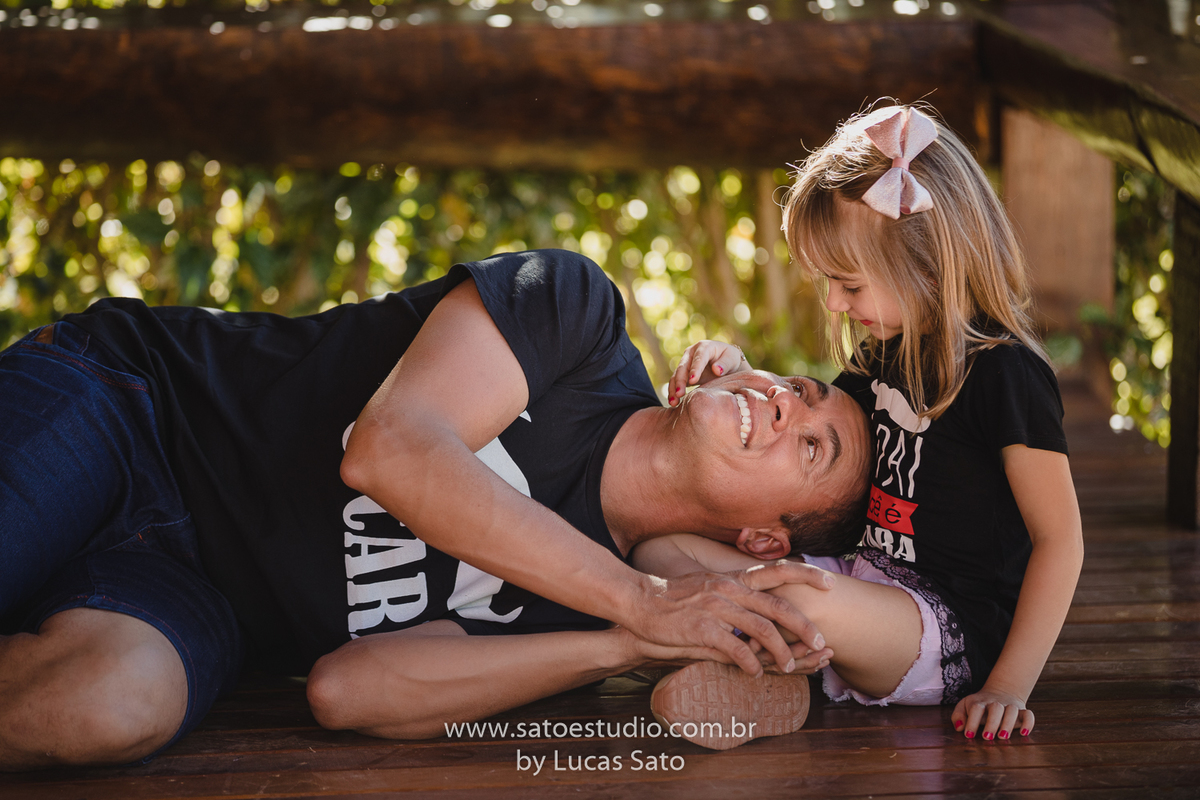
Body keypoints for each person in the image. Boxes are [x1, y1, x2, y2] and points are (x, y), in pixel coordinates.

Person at [0, 248, 870, 769]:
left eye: (812, 447)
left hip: (196, 598)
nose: (785, 403)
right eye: (800, 388)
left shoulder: (591, 607)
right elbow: (387, 448)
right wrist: (639, 602)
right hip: (137, 408)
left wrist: (629, 642)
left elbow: (349, 690)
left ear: (763, 539)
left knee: (104, 707)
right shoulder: (578, 317)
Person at [649, 104, 1084, 745]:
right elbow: (815, 425)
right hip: (858, 577)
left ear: (928, 269)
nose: (833, 302)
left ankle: (727, 655)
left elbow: (1060, 542)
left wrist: (1008, 685)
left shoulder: (1006, 376)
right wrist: (741, 377)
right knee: (662, 550)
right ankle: (762, 671)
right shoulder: (885, 353)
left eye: (849, 286)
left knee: (801, 600)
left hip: (941, 625)